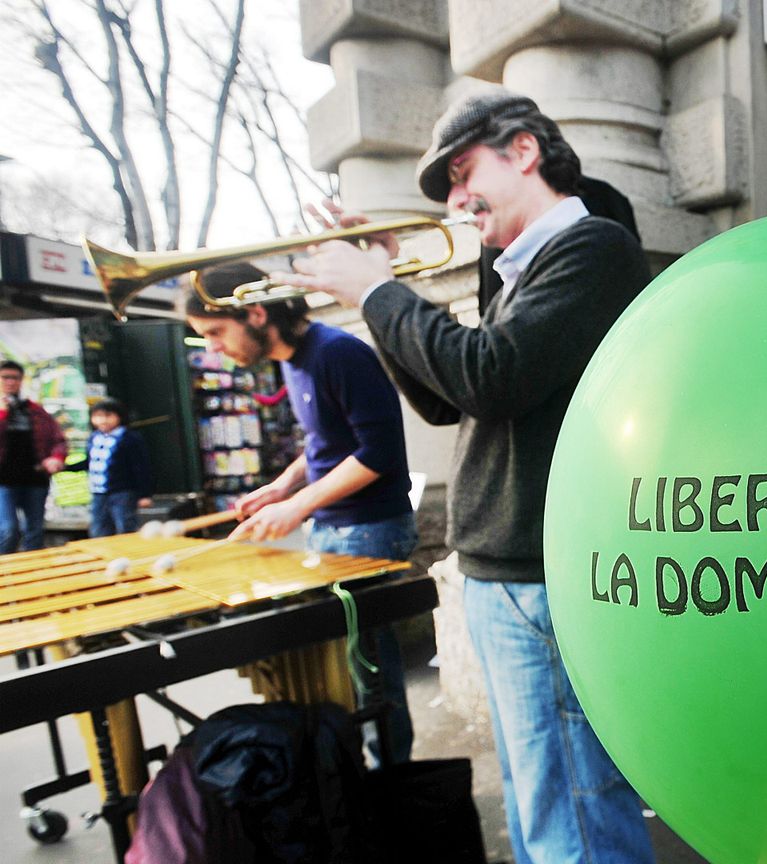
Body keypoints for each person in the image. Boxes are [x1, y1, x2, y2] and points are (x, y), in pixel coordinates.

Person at [269, 92, 656, 864]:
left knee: (572, 818)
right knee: (538, 804)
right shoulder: (515, 269)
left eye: (460, 170)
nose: (452, 200)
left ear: (522, 153)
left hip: (537, 573)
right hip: (499, 572)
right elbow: (449, 402)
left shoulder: (592, 246)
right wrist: (381, 304)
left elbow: (492, 375)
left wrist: (379, 294)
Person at [180, 267, 417, 765]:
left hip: (369, 530)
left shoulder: (338, 353)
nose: (215, 348)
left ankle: (390, 777)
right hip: (334, 527)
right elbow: (326, 444)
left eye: (216, 332)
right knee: (344, 672)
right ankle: (350, 775)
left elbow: (379, 452)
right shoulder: (294, 361)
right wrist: (282, 487)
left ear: (256, 312)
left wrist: (298, 506)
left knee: (368, 674)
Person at [0, 361, 67, 552]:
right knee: (8, 529)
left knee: (35, 531)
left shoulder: (34, 410)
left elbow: (58, 439)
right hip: (3, 481)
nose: (10, 382)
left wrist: (56, 457)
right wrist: (3, 413)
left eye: (15, 378)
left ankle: (33, 575)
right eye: (5, 377)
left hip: (35, 479)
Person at [63, 398, 154, 536]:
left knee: (125, 525)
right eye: (98, 416)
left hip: (122, 492)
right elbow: (90, 462)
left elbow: (141, 467)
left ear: (119, 417)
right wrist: (67, 468)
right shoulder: (94, 438)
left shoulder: (129, 438)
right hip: (99, 492)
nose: (103, 421)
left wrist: (144, 494)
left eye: (108, 416)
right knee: (99, 527)